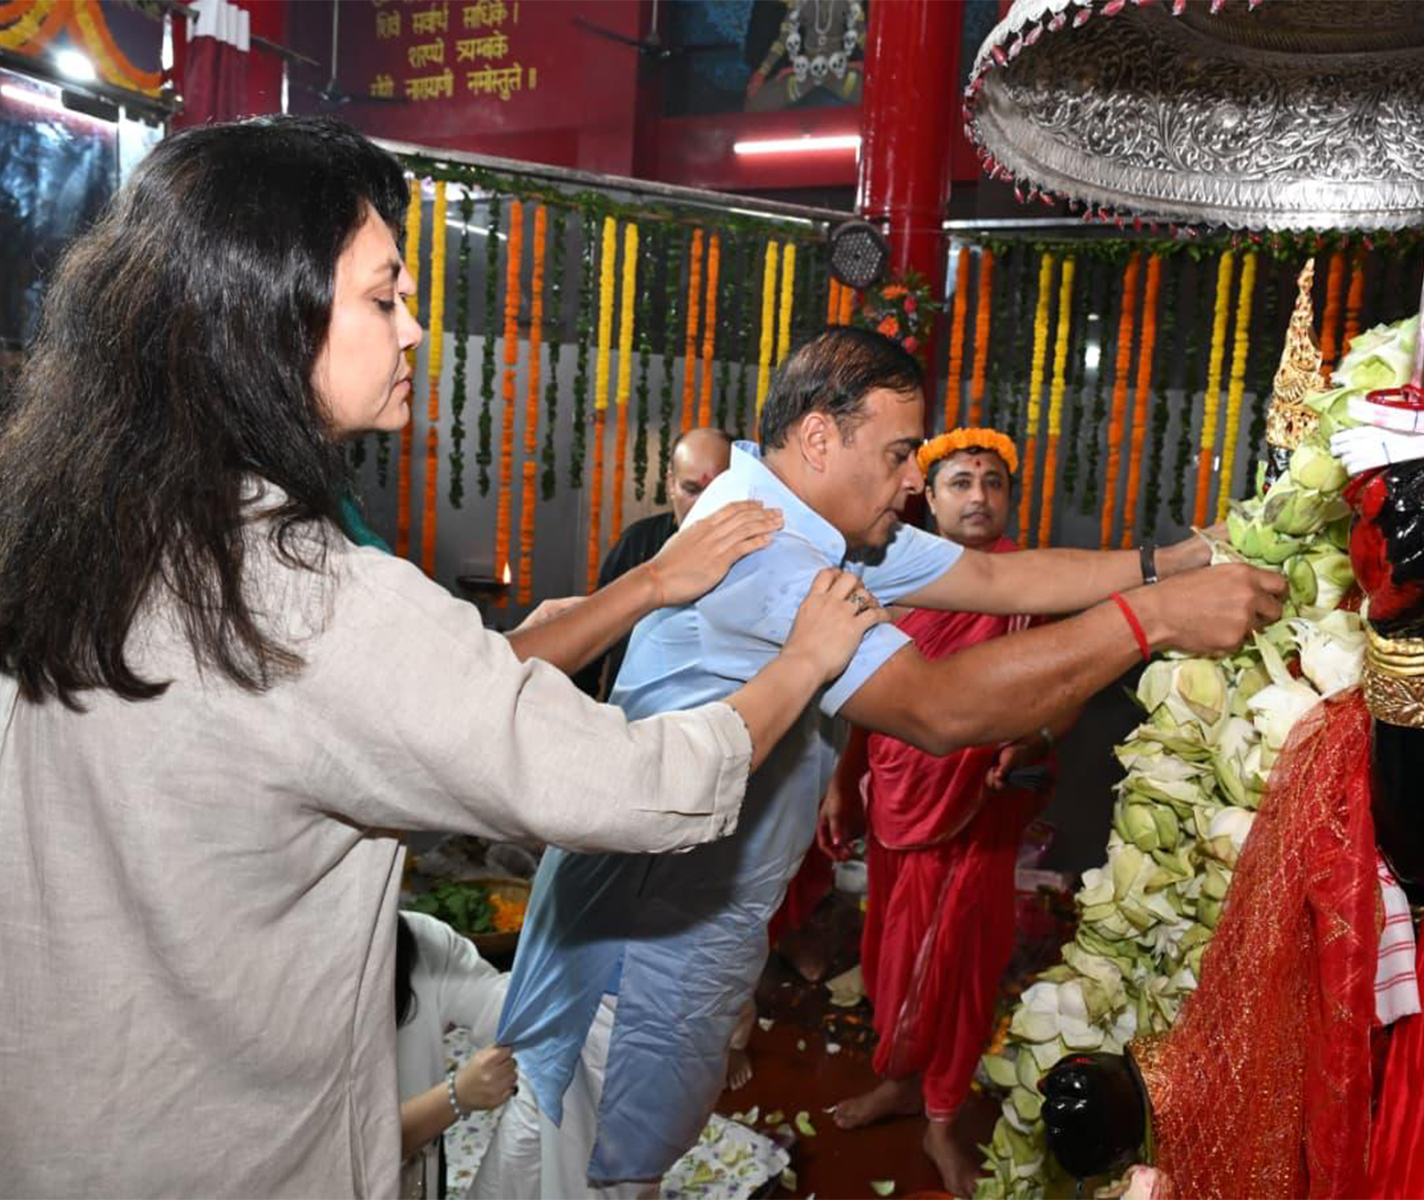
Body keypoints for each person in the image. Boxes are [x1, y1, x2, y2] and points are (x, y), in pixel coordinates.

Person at [0, 116, 884, 1198]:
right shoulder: (307, 596)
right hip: (232, 1147)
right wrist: (801, 664)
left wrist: (648, 586)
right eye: (383, 298)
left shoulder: (84, 534)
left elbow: (428, 686)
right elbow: (632, 783)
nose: (415, 330)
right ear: (265, 324)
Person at [486, 326, 1287, 1197]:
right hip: (632, 955)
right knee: (577, 1164)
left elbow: (995, 583)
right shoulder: (769, 556)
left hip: (689, 928)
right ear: (822, 438)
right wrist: (1157, 618)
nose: (917, 480)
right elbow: (939, 709)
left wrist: (1167, 561)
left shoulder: (813, 516)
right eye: (903, 453)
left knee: (613, 1159)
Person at [819, 426, 1063, 1195]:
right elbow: (869, 692)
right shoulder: (892, 574)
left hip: (974, 818)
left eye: (993, 483)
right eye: (962, 482)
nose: (980, 497)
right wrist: (841, 783)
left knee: (956, 970)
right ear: (930, 494)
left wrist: (1034, 738)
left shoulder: (1030, 584)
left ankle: (941, 1121)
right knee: (891, 955)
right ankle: (898, 1077)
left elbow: (1066, 689)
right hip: (896, 798)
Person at [573, 427, 734, 700]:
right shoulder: (636, 544)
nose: (704, 504)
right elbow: (590, 649)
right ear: (671, 484)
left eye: (717, 490)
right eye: (691, 489)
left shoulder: (756, 552)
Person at [395, 911, 518, 1200]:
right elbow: (344, 1145)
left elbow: (497, 1005)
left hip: (418, 1173)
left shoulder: (421, 938)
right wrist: (455, 1095)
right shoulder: (289, 980)